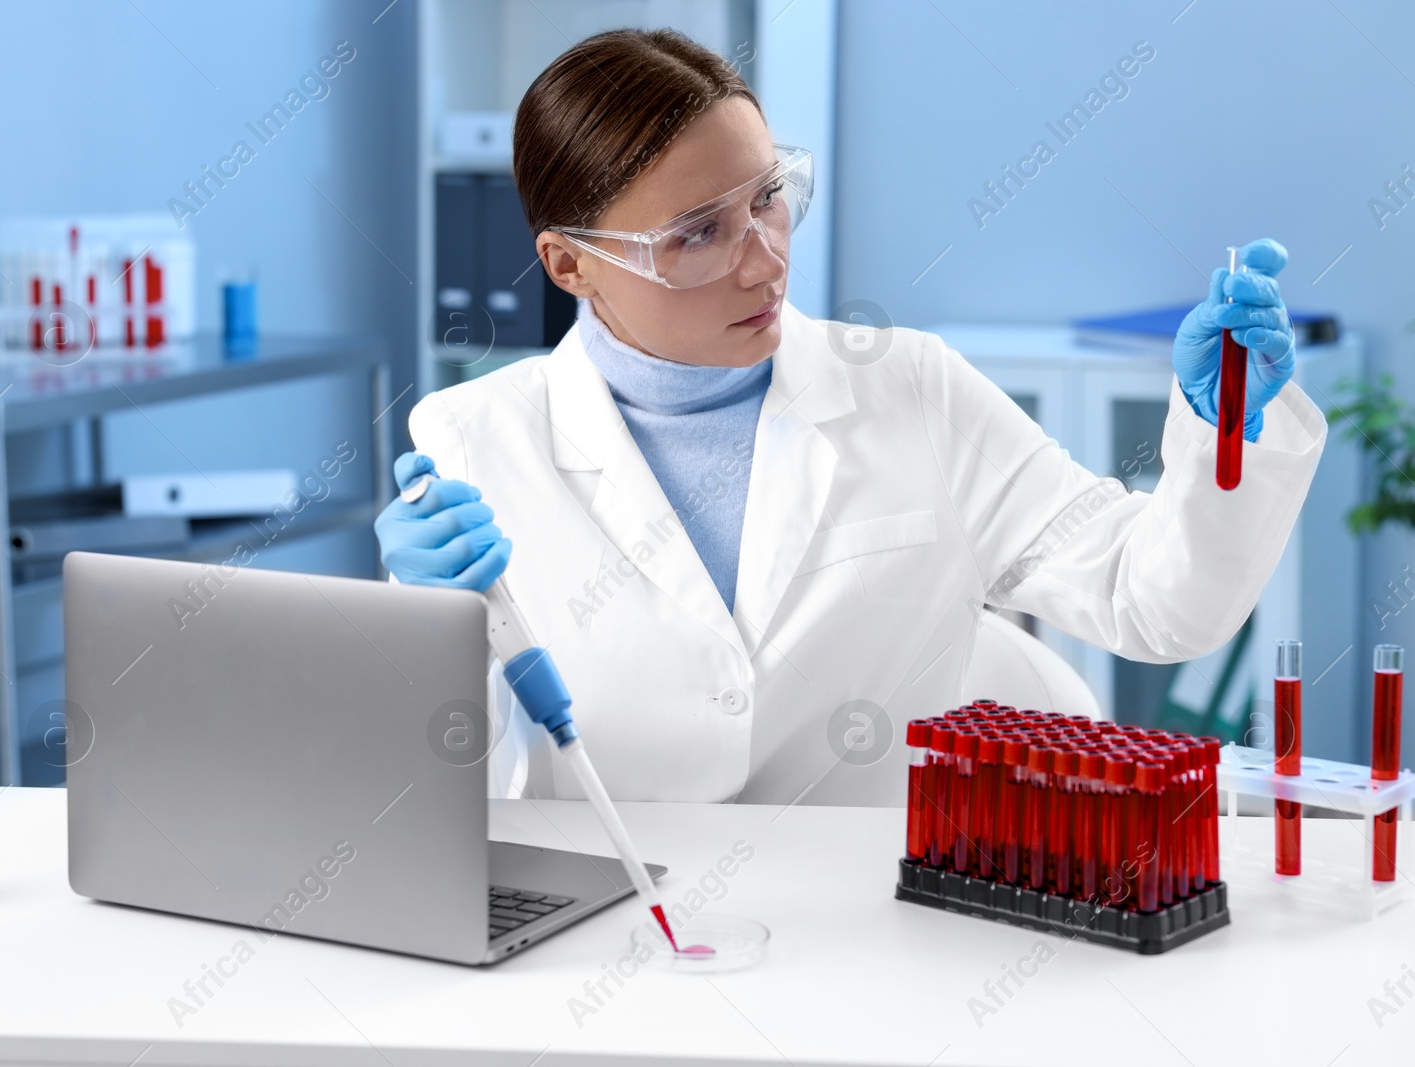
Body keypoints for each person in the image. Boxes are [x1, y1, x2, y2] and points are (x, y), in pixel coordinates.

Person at [375, 28, 1324, 805]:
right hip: (613, 918)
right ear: (569, 264)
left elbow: (1155, 601)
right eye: (698, 233)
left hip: (879, 923)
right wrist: (419, 633)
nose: (762, 259)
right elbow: (443, 776)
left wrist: (1228, 425)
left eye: (769, 200)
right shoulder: (468, 442)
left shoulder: (909, 388)